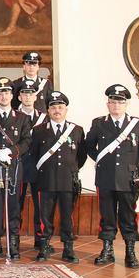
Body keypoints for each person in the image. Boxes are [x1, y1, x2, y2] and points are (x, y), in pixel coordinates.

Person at [85, 84, 139, 268]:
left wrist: (131, 163)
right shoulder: (99, 123)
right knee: (106, 215)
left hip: (128, 178)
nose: (116, 105)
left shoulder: (137, 124)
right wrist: (102, 161)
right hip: (105, 177)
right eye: (113, 102)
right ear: (108, 104)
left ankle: (130, 252)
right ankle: (107, 250)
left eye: (120, 102)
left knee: (128, 215)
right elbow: (88, 146)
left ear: (126, 104)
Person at [28, 91, 87, 263]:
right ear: (48, 110)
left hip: (68, 181)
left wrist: (71, 170)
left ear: (66, 109)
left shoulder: (76, 130)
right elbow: (33, 155)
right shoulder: (38, 131)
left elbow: (81, 155)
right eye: (53, 107)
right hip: (45, 180)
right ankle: (44, 246)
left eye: (60, 107)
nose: (57, 110)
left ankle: (68, 248)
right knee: (44, 216)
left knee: (67, 216)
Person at [0, 77, 31, 259]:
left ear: (12, 95)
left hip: (14, 167)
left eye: (7, 92)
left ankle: (13, 243)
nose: (3, 96)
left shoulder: (22, 118)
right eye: (0, 93)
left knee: (13, 206)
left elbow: (27, 141)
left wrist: (10, 151)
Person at [15, 79, 49, 251]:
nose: (27, 97)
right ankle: (14, 239)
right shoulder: (13, 116)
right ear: (19, 97)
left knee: (40, 205)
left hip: (38, 167)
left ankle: (40, 238)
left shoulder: (45, 117)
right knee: (16, 205)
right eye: (24, 94)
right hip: (18, 166)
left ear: (36, 97)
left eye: (31, 94)